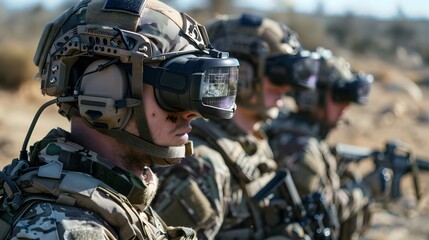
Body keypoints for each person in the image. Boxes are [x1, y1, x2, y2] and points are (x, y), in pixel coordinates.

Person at [0, 0, 240, 239]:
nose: (192, 113)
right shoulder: (65, 228)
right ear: (104, 89)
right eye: (175, 91)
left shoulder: (115, 201)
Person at [152, 13, 319, 239]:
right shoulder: (201, 165)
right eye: (278, 75)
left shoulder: (254, 142)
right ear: (242, 76)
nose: (286, 88)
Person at [265, 47, 380, 240]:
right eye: (340, 97)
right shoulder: (300, 147)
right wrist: (366, 189)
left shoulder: (294, 132)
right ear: (312, 96)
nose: (346, 106)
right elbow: (320, 211)